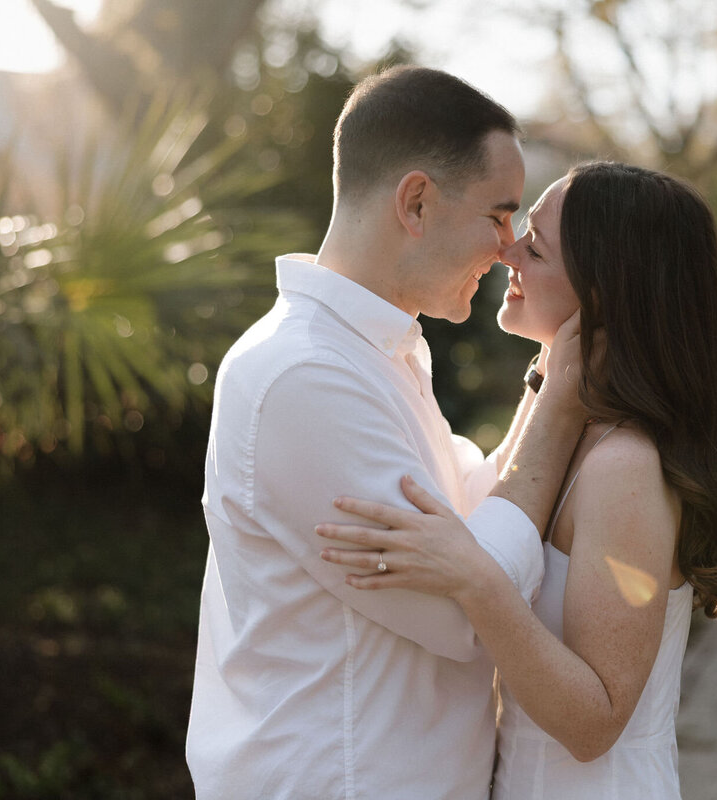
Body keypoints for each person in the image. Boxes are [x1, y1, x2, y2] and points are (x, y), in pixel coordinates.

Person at [186, 66, 590, 799]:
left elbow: (477, 505)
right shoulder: (303, 375)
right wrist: (561, 405)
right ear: (416, 202)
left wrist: (550, 372)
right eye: (499, 216)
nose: (509, 249)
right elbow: (463, 612)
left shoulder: (378, 352)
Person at [318, 161, 717, 798]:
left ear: (605, 293)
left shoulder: (624, 467)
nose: (506, 252)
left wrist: (476, 580)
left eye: (534, 247)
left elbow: (596, 722)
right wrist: (549, 382)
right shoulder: (576, 432)